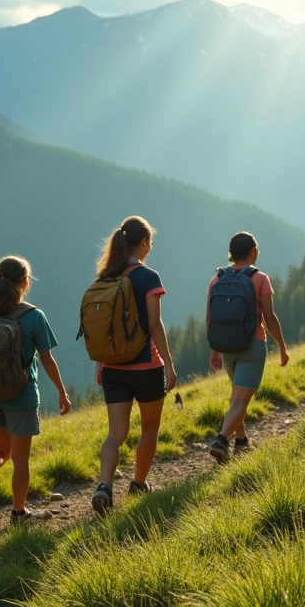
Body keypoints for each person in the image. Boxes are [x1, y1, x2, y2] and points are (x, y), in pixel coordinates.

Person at [0, 256, 72, 531]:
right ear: (25, 283)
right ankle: (18, 513)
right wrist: (62, 393)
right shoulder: (33, 316)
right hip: (20, 397)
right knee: (20, 459)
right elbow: (47, 360)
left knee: (0, 451)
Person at [90, 216, 177, 516]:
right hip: (146, 367)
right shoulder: (148, 277)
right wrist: (167, 363)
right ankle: (139, 484)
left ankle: (104, 486)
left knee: (115, 433)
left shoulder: (105, 277)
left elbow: (104, 329)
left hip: (114, 368)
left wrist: (102, 363)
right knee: (150, 427)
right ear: (143, 242)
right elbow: (155, 325)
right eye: (150, 242)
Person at [205, 233, 290, 464]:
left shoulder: (217, 279)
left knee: (237, 397)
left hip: (225, 347)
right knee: (240, 401)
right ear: (253, 252)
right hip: (251, 345)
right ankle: (222, 440)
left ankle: (241, 442)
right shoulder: (260, 278)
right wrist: (282, 346)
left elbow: (210, 318)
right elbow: (270, 317)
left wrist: (214, 350)